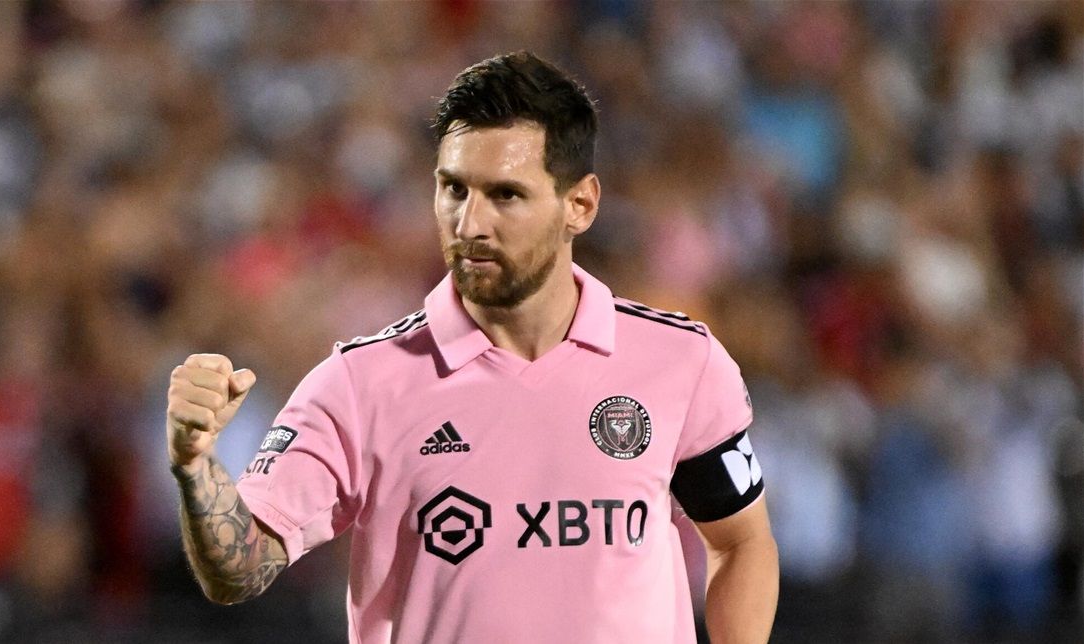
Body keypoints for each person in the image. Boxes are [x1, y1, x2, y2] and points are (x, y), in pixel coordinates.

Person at [166, 51, 778, 643]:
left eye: (505, 195)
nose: (469, 224)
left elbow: (741, 541)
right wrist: (195, 465)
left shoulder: (679, 362)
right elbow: (239, 568)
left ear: (580, 204)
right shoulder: (359, 384)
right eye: (454, 189)